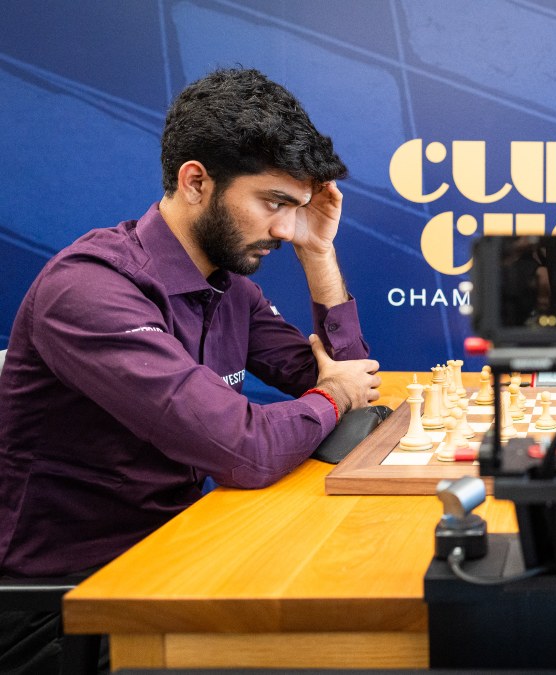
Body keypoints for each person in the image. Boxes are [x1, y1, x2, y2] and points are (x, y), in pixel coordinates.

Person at [0, 68, 381, 672]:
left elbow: (352, 377)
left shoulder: (226, 286)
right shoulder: (89, 288)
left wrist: (320, 251)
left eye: (297, 208)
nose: (285, 228)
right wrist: (332, 396)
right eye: (274, 203)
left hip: (175, 558)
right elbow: (245, 448)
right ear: (197, 181)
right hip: (66, 611)